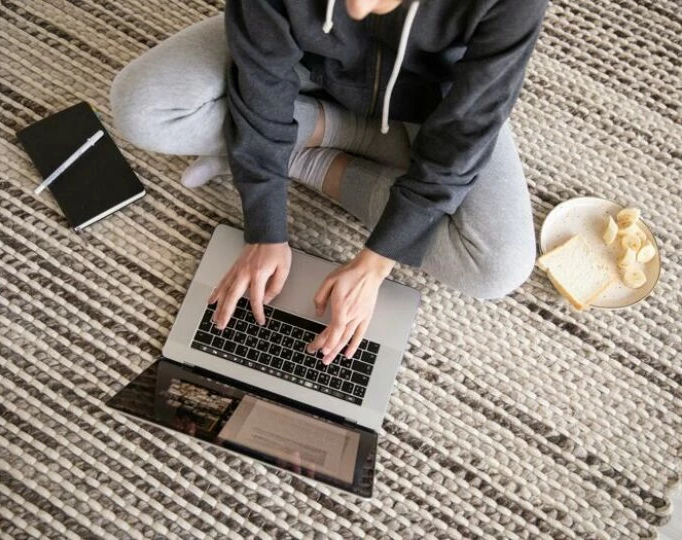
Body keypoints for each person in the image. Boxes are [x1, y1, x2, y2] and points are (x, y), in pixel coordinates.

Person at [110, 0, 547, 365]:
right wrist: (264, 228)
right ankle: (315, 140)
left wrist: (378, 259)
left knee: (498, 266)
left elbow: (463, 134)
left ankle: (306, 145)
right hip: (301, 64)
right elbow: (259, 79)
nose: (354, 8)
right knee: (140, 108)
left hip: (431, 102)